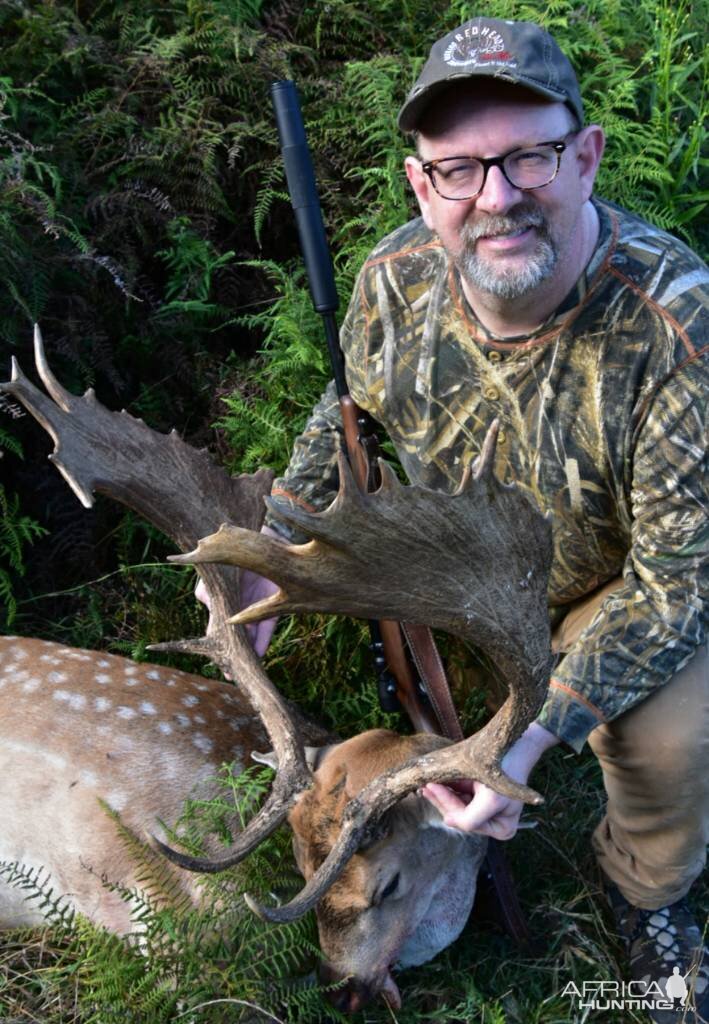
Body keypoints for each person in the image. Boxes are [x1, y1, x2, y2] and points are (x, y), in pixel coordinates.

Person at [200, 17, 708, 1022]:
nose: (498, 197)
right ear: (420, 185)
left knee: (672, 743)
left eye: (528, 157)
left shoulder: (676, 321)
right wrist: (276, 544)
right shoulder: (391, 282)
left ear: (585, 157)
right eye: (461, 169)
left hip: (619, 591)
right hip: (459, 576)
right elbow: (349, 412)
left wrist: (524, 747)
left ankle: (641, 892)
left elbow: (678, 582)